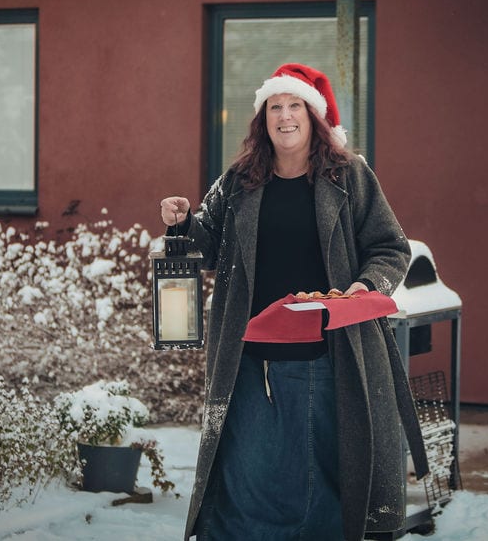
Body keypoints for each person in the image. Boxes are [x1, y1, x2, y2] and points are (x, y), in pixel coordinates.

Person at [160, 63, 428, 541]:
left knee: (324, 478)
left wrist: (365, 287)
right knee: (245, 478)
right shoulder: (240, 180)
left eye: (294, 106)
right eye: (274, 108)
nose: (284, 117)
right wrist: (183, 224)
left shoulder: (350, 177)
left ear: (314, 116)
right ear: (263, 120)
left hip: (329, 355)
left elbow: (391, 247)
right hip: (248, 356)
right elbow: (211, 244)